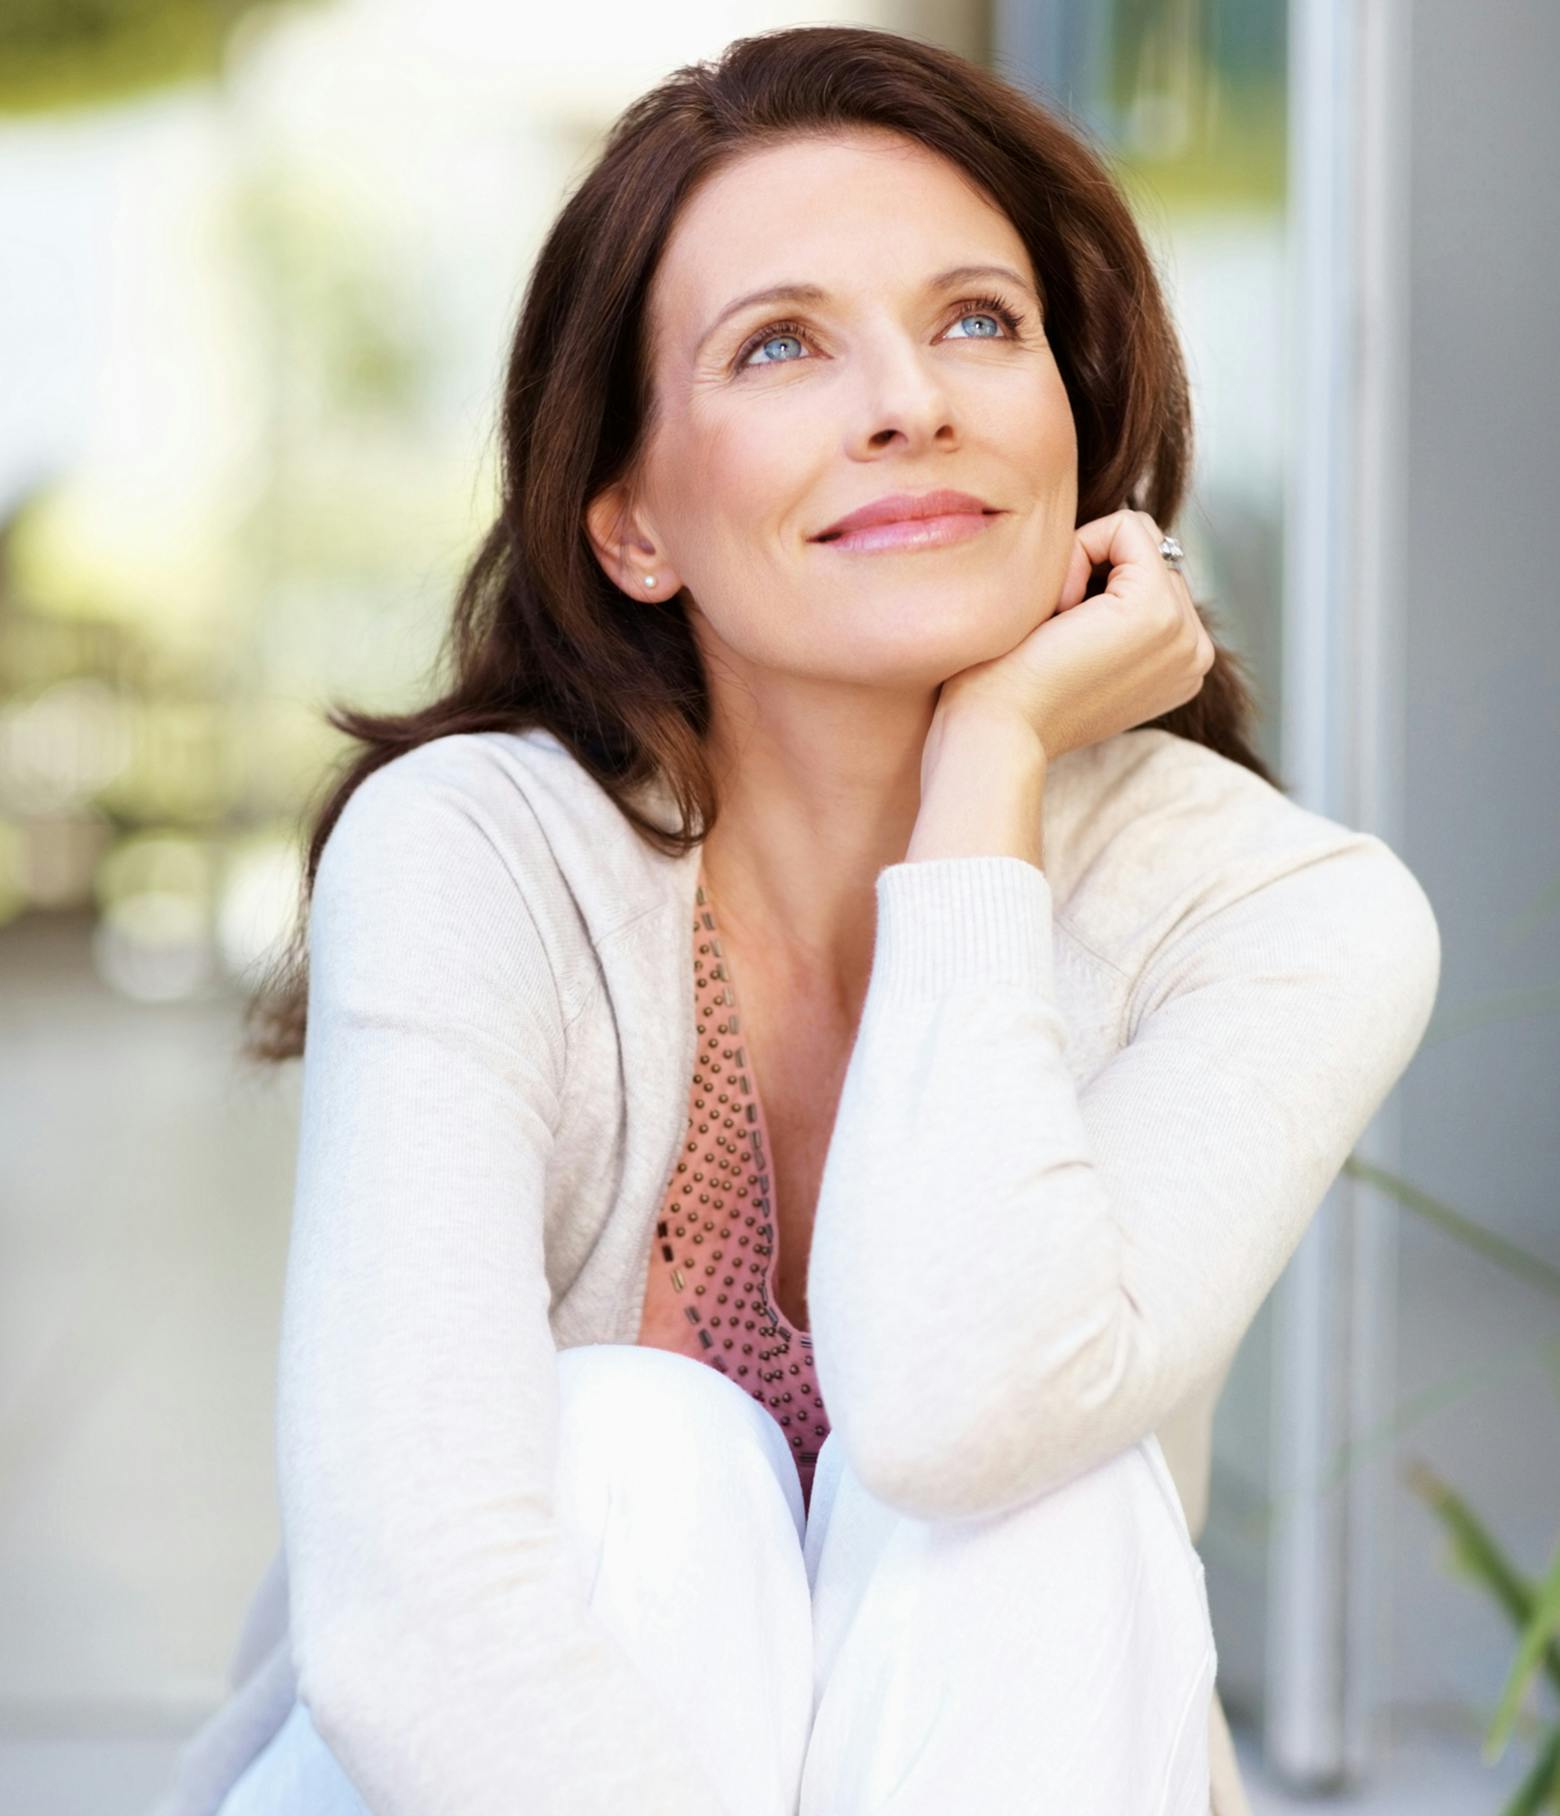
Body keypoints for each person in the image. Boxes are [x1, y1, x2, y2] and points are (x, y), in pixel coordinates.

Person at [148, 23, 1441, 1816]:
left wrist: (985, 773)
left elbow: (961, 1409)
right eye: (780, 345)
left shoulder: (1291, 915)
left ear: (1081, 419)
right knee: (639, 1443)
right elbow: (414, 1628)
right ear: (629, 526)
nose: (911, 400)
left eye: (980, 321)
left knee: (1043, 1488)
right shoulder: (476, 851)